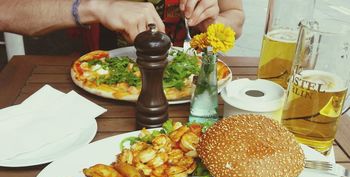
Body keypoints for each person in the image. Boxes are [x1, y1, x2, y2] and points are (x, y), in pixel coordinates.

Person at [0, 0, 244, 50]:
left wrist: (214, 23)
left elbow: (234, 15)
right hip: (79, 93)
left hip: (181, 92)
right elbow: (6, 11)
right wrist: (94, 8)